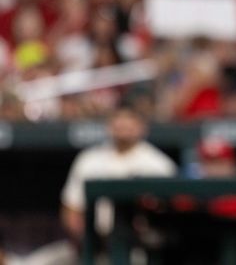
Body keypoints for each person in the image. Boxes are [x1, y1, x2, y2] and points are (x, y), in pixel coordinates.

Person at [61, 105, 176, 246]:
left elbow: (167, 214)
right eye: (118, 118)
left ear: (142, 127)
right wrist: (86, 242)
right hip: (97, 242)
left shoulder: (159, 164)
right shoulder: (89, 159)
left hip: (142, 246)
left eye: (130, 119)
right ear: (108, 125)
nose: (123, 124)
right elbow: (72, 208)